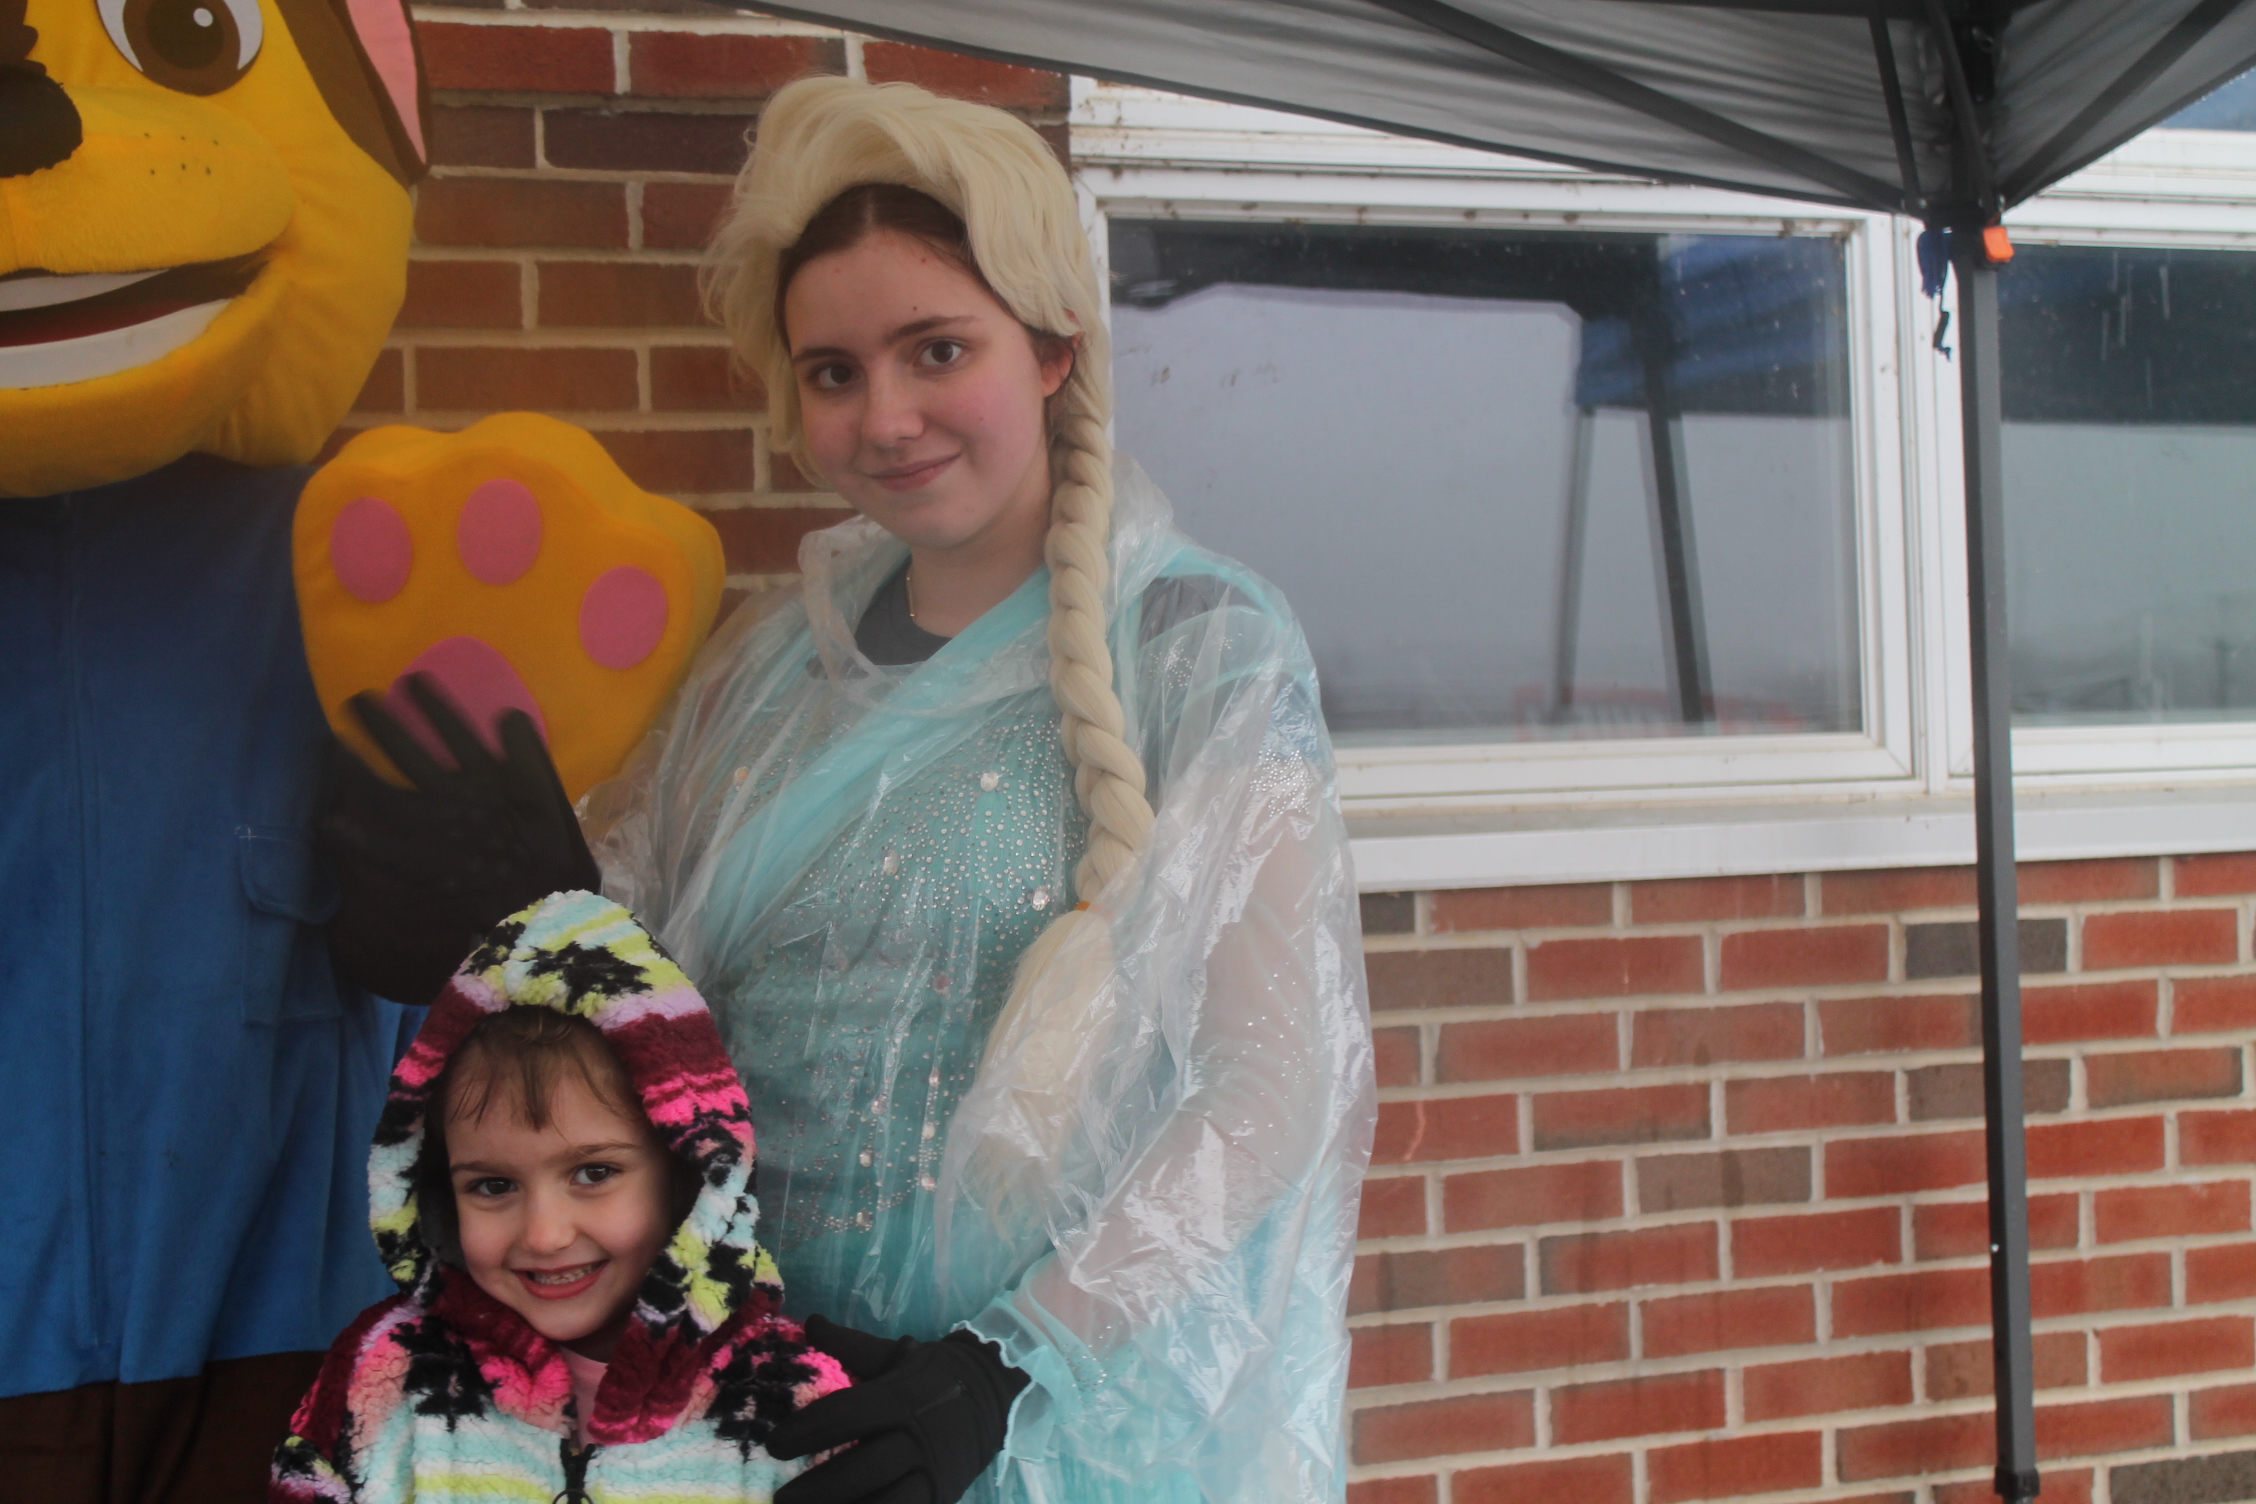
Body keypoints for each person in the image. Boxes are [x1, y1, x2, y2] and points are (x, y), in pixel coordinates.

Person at [327, 75, 1375, 1504]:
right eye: (833, 372)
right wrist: (544, 936)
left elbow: (1270, 1085)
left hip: (1066, 1434)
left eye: (937, 350)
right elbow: (670, 1018)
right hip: (763, 1415)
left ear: (1054, 348)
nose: (887, 417)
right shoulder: (767, 669)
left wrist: (1010, 1365)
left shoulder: (1197, 646)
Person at [269, 890, 851, 1502]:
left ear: (690, 1176)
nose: (545, 1235)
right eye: (493, 1186)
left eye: (593, 1173)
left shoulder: (793, 1404)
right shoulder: (385, 1378)